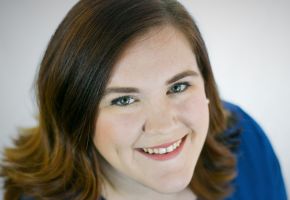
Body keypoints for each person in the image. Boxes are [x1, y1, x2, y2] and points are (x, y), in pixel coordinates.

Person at [0, 0, 287, 200]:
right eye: (124, 100)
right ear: (76, 117)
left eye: (178, 87)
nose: (163, 126)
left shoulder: (243, 138)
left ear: (206, 88)